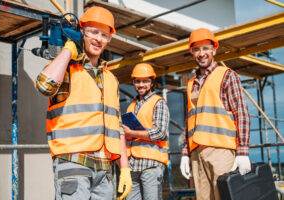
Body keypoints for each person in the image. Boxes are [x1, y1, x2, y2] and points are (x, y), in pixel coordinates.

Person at [35, 6, 132, 200]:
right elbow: (44, 86)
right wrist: (67, 51)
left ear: (109, 39)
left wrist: (125, 169)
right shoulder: (67, 69)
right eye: (93, 32)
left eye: (104, 35)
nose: (98, 39)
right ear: (82, 32)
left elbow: (117, 127)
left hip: (105, 169)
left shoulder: (110, 79)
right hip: (73, 162)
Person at [180, 28, 251, 200]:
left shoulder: (227, 75)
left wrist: (243, 152)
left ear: (214, 49)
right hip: (197, 153)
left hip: (221, 150)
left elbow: (241, 113)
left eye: (205, 48)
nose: (201, 53)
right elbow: (190, 121)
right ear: (191, 52)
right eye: (196, 49)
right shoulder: (191, 83)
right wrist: (185, 153)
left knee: (225, 196)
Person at [122, 63, 170, 200]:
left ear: (151, 82)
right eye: (137, 81)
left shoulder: (158, 102)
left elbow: (160, 132)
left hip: (151, 165)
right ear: (133, 82)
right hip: (133, 165)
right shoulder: (131, 105)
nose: (141, 85)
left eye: (145, 81)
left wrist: (131, 133)